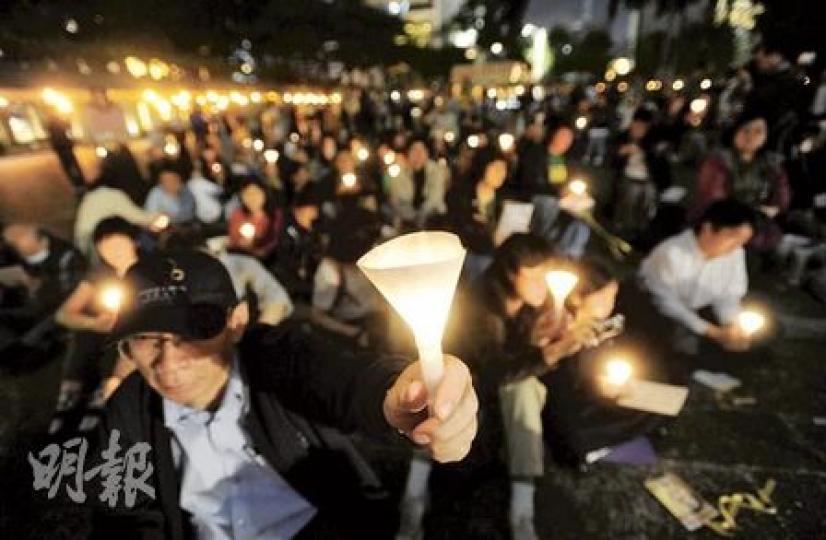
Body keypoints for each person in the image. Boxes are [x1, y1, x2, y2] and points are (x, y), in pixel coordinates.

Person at [88, 250, 479, 538]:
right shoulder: (128, 411)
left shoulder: (277, 358)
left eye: (195, 332)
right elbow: (122, 512)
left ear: (237, 323)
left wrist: (398, 396)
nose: (169, 361)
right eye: (146, 339)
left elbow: (344, 379)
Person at [440, 234, 614, 540]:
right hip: (470, 385)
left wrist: (551, 336)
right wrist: (553, 351)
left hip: (514, 381)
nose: (542, 287)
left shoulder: (534, 302)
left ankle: (524, 500)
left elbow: (526, 351)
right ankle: (519, 506)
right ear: (510, 273)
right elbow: (493, 371)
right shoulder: (481, 305)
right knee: (521, 389)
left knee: (528, 389)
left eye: (546, 278)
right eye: (534, 279)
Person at [51, 218, 143, 434]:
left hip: (133, 335)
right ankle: (67, 402)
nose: (112, 250)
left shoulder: (149, 271)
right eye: (104, 245)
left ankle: (102, 401)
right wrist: (94, 322)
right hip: (103, 333)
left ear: (133, 242)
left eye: (118, 243)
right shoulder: (99, 275)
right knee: (84, 336)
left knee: (125, 344)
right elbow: (63, 314)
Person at [639, 199, 757, 356]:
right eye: (732, 238)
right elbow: (665, 302)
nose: (735, 247)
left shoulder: (735, 253)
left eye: (742, 242)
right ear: (708, 229)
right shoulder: (671, 252)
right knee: (675, 337)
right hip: (660, 311)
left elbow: (729, 295)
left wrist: (731, 323)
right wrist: (710, 331)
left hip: (700, 309)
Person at [692, 110, 791, 250]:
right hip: (722, 223)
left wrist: (772, 209)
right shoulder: (718, 161)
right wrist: (750, 214)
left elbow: (781, 196)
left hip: (759, 223)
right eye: (746, 130)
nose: (751, 136)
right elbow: (713, 199)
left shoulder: (771, 164)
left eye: (758, 131)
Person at [612, 108, 671, 241]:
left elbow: (659, 161)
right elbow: (613, 161)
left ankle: (640, 231)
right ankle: (623, 230)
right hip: (629, 177)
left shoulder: (653, 139)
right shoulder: (623, 137)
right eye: (636, 124)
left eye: (643, 126)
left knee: (646, 205)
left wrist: (645, 151)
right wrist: (620, 153)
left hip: (648, 179)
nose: (638, 128)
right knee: (629, 202)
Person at [387, 139, 448, 229]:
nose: (418, 154)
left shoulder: (436, 170)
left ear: (427, 153)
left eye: (421, 150)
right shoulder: (400, 171)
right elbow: (396, 197)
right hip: (407, 216)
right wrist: (412, 215)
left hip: (432, 215)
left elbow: (435, 197)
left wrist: (421, 214)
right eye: (414, 150)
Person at [227, 178, 283, 262]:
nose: (251, 198)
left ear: (264, 194)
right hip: (243, 260)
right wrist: (241, 244)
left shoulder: (275, 215)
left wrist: (257, 247)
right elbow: (232, 242)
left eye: (255, 193)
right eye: (246, 194)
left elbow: (276, 242)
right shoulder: (238, 215)